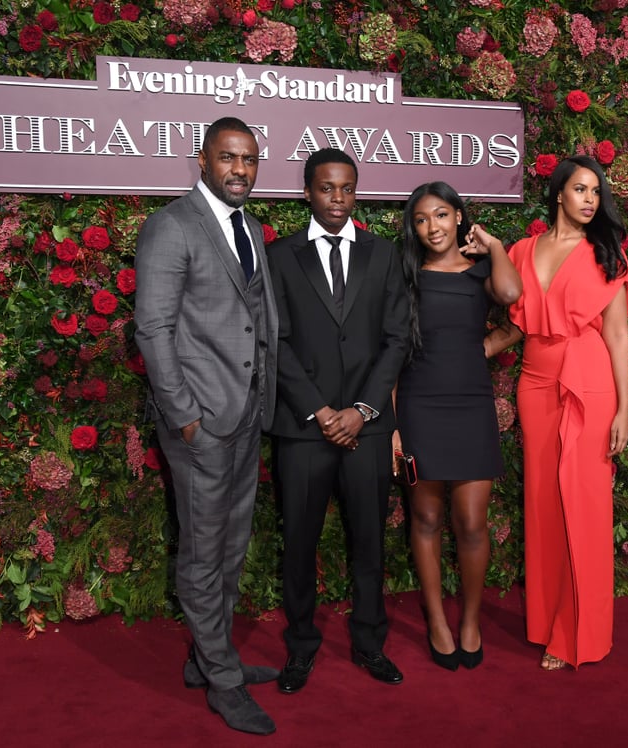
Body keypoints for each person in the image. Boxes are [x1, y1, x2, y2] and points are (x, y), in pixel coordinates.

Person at [133, 117, 280, 735]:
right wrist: (185, 416)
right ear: (202, 160)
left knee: (231, 543)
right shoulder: (172, 226)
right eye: (228, 158)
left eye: (248, 159)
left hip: (247, 414)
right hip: (203, 421)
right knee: (202, 551)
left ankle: (206, 657)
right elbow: (153, 329)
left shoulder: (248, 226)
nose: (240, 169)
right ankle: (221, 679)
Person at [267, 148, 409, 694]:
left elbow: (396, 339)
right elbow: (274, 341)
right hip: (304, 428)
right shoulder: (280, 257)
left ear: (356, 192)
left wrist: (362, 410)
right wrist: (323, 411)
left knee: (369, 542)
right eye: (327, 189)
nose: (337, 199)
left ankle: (370, 642)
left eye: (347, 188)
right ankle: (300, 647)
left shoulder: (384, 254)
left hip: (367, 429)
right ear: (307, 191)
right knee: (299, 543)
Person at [507, 155, 628, 670]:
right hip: (535, 384)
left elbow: (617, 334)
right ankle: (545, 622)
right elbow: (519, 324)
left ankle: (576, 634)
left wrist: (624, 407)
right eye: (580, 189)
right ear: (558, 192)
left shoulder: (606, 253)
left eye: (595, 192)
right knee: (543, 505)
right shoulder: (521, 250)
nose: (589, 200)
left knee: (581, 507)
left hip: (589, 384)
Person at [394, 182, 522, 671]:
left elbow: (513, 301)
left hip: (471, 405)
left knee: (471, 522)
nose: (433, 227)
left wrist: (493, 245)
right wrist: (392, 427)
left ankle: (470, 619)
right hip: (418, 407)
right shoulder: (405, 276)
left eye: (442, 215)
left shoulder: (482, 271)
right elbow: (390, 353)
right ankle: (437, 621)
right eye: (423, 219)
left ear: (459, 217)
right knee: (424, 519)